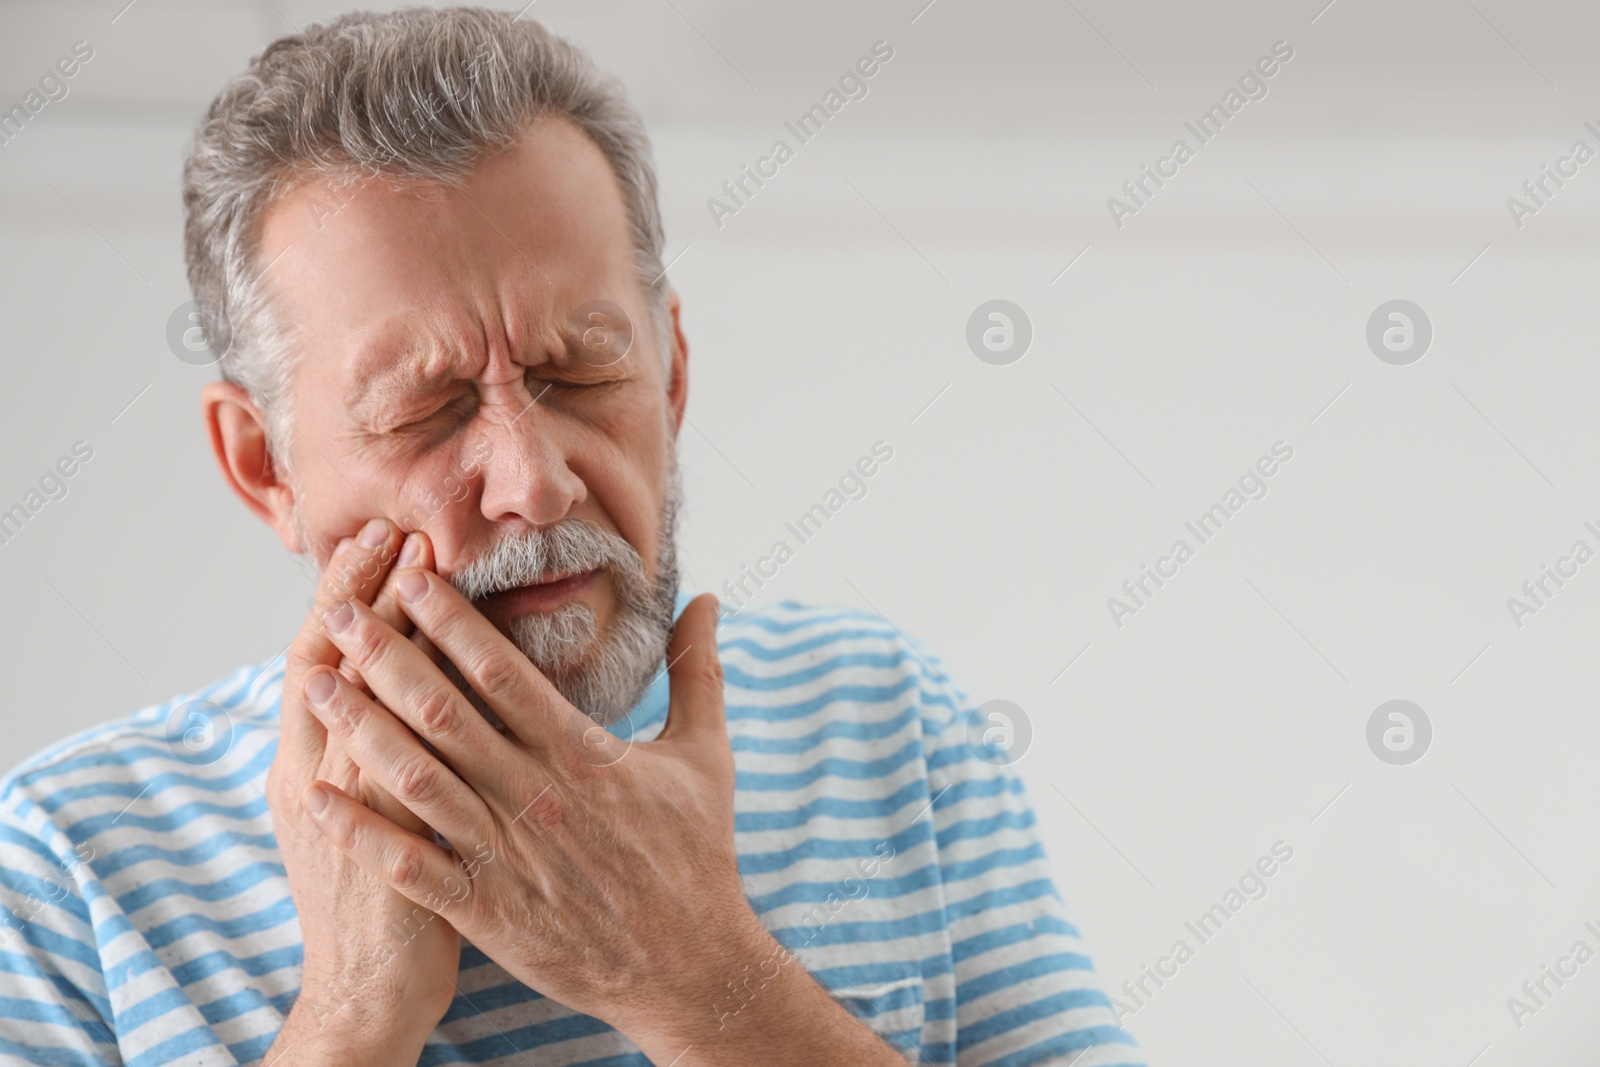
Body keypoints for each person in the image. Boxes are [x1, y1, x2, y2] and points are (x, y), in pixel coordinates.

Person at [0, 8, 1143, 1065]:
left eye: (582, 370)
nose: (536, 484)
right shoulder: (67, 863)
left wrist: (699, 976)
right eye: (424, 408)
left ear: (674, 376)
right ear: (265, 467)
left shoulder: (884, 719)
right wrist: (352, 1012)